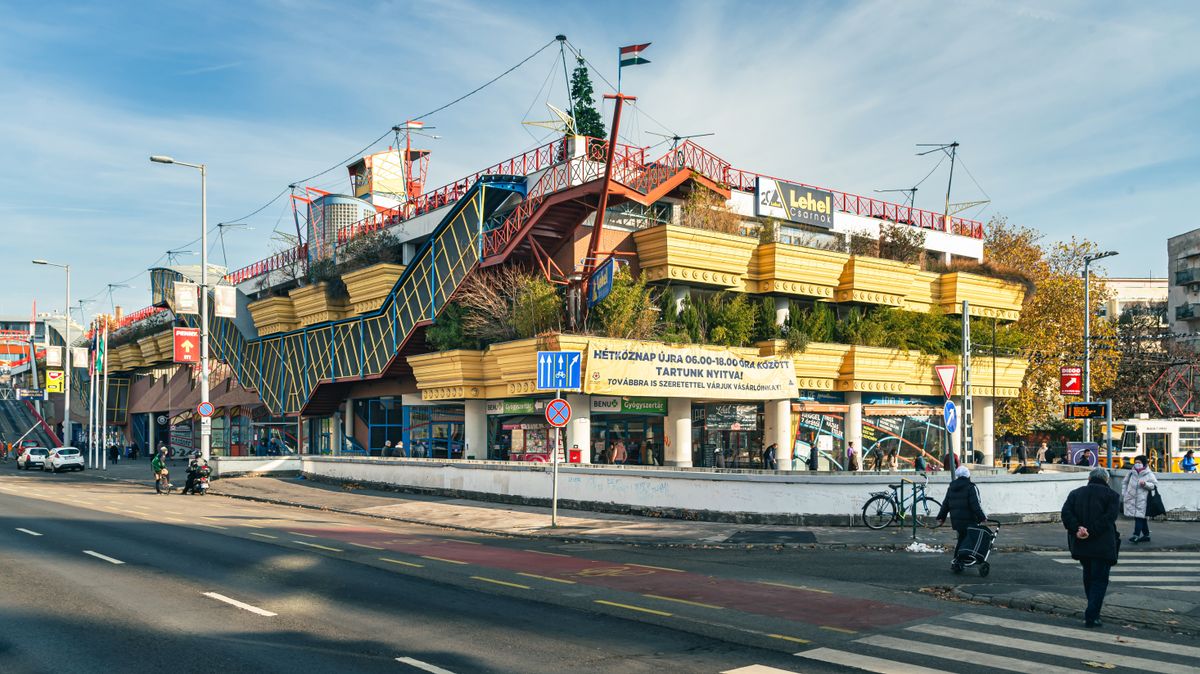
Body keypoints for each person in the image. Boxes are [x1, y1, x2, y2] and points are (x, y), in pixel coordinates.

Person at [1061, 468, 1121, 628]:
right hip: (1103, 546)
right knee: (1100, 581)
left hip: (1082, 544)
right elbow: (1109, 518)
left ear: (1089, 478)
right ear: (1106, 480)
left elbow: (1066, 513)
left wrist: (1078, 529)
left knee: (1088, 578)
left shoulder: (1075, 493)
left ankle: (1093, 611)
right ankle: (1092, 615)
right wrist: (1091, 531)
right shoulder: (1112, 496)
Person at [937, 466, 988, 557]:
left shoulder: (951, 487)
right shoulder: (970, 487)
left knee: (962, 538)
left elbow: (946, 504)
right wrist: (982, 517)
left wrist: (941, 517)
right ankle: (960, 559)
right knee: (966, 540)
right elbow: (975, 505)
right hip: (970, 520)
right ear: (968, 475)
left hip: (956, 521)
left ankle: (958, 560)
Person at [1122, 455, 1159, 544]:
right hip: (1131, 498)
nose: (1137, 464)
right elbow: (1124, 482)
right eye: (1136, 462)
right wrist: (1124, 493)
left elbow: (1154, 485)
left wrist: (1145, 484)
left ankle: (1136, 535)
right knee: (1140, 517)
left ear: (1144, 463)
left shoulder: (1149, 474)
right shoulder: (1131, 473)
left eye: (1139, 462)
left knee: (1139, 517)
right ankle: (1146, 535)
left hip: (1143, 500)